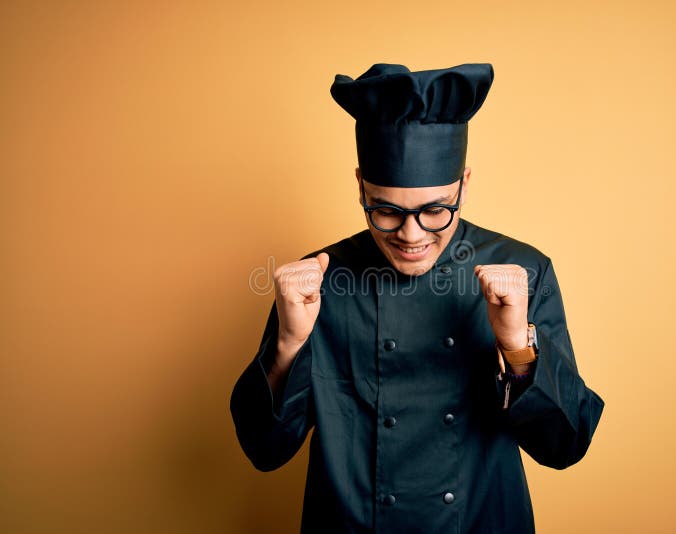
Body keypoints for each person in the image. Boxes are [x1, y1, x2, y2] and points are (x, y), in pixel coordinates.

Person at [230, 63, 604, 533]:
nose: (411, 235)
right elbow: (264, 450)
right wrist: (286, 346)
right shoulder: (314, 283)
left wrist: (515, 347)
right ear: (360, 186)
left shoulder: (524, 271)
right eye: (386, 210)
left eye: (435, 210)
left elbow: (565, 445)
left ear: (464, 186)